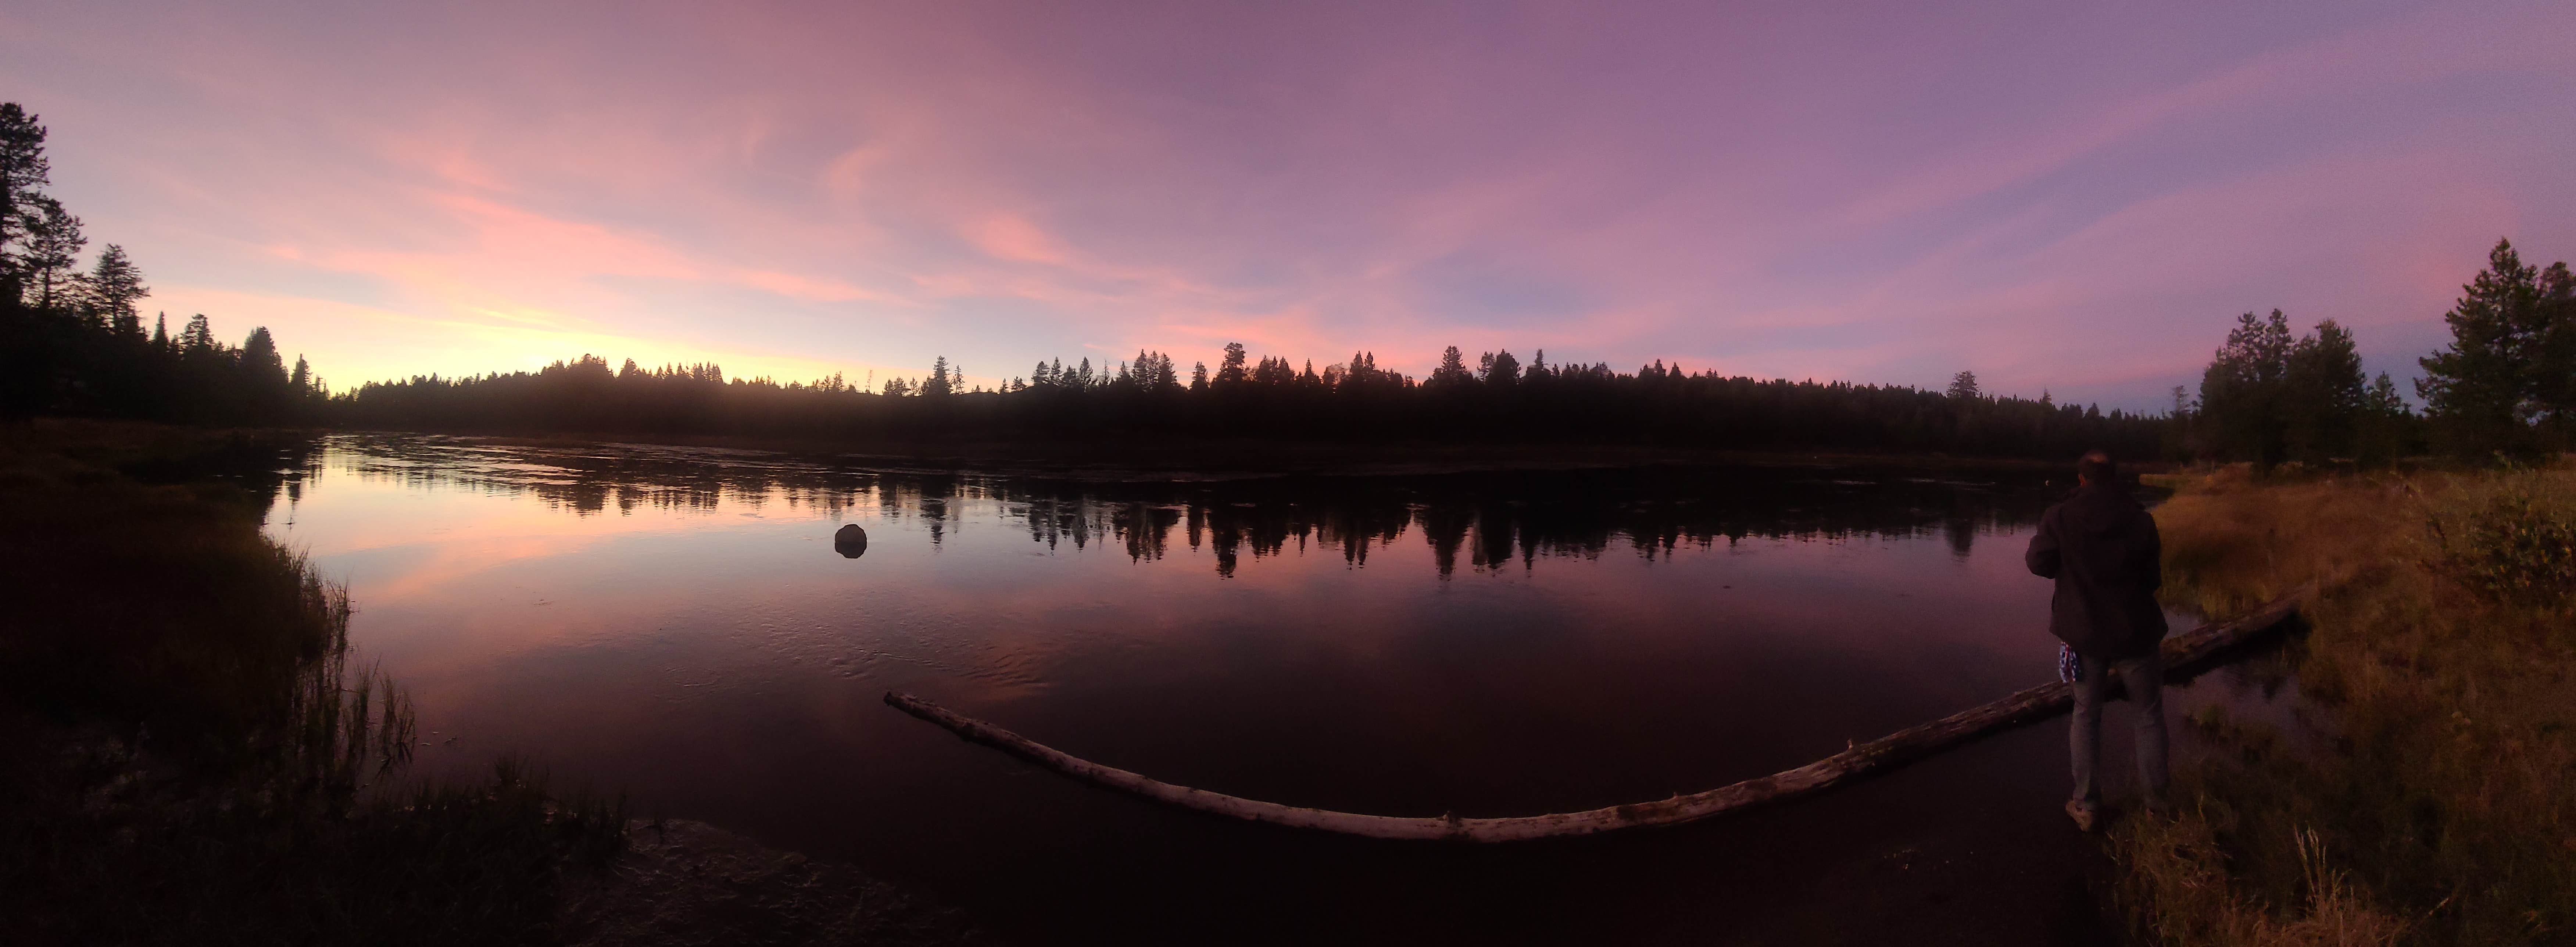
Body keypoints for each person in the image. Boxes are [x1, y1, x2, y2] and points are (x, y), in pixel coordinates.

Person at [2024, 450, 2168, 832]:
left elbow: (2037, 563)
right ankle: (2157, 809)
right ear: (2115, 478)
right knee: (2148, 715)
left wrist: (2069, 567)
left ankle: (2087, 807)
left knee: (2086, 716)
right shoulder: (2141, 519)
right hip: (2137, 631)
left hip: (2085, 633)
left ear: (2082, 479)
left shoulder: (2060, 516)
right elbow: (2153, 579)